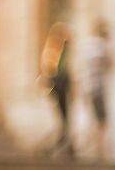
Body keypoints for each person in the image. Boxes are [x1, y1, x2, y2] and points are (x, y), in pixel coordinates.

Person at [40, 22, 74, 157]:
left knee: (65, 117)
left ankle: (67, 144)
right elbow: (49, 69)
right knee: (62, 116)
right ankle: (63, 143)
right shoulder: (53, 50)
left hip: (62, 84)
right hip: (58, 84)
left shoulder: (63, 50)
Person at [83, 19, 113, 159]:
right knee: (102, 121)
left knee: (96, 120)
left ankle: (96, 148)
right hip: (97, 89)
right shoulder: (100, 46)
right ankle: (99, 150)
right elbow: (108, 64)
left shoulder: (89, 46)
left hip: (90, 88)